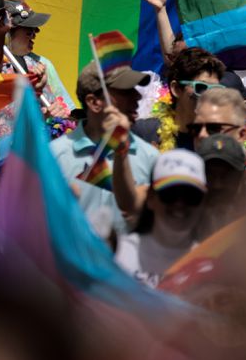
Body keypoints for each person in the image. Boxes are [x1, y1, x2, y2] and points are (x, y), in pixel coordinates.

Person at [50, 62, 157, 216]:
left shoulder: (150, 157)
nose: (138, 96)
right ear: (94, 103)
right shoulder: (54, 156)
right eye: (126, 91)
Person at [114, 150, 206, 288]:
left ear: (203, 202)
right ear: (151, 198)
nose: (179, 204)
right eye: (170, 194)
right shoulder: (119, 256)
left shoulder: (208, 265)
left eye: (190, 195)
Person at [133, 47, 227, 151]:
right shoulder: (144, 132)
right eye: (201, 88)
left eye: (216, 90)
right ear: (176, 89)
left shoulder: (220, 142)